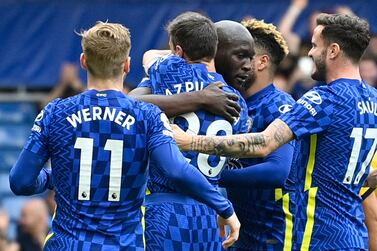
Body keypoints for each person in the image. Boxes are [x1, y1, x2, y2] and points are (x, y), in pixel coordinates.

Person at [9, 21, 240, 250]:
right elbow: (176, 170)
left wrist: (51, 178)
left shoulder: (55, 113)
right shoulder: (147, 115)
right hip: (123, 244)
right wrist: (224, 207)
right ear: (127, 65)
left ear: (83, 61)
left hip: (67, 244)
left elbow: (20, 182)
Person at [173, 13, 376, 250]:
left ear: (333, 51)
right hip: (352, 235)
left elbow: (264, 144)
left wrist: (190, 142)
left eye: (314, 46)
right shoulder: (372, 99)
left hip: (318, 236)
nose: (309, 53)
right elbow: (343, 171)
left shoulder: (324, 99)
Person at [139, 13, 250, 251]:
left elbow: (148, 56)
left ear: (178, 51)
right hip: (210, 210)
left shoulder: (169, 70)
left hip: (166, 208)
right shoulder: (238, 99)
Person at [214, 18, 297, 250]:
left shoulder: (280, 106)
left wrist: (208, 177)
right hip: (238, 230)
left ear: (260, 62)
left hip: (273, 234)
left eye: (242, 56)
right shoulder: (228, 101)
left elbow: (277, 171)